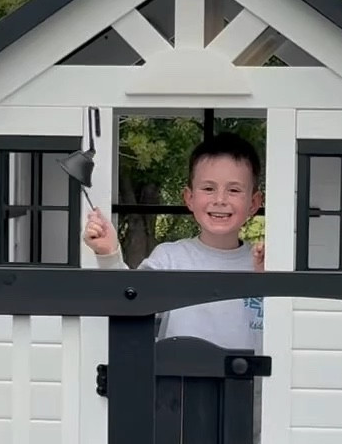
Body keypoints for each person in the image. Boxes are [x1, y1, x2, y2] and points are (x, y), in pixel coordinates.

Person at [83, 131, 264, 352]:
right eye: (208, 188)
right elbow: (130, 304)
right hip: (176, 384)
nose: (220, 200)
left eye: (234, 190)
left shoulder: (264, 263)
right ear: (189, 198)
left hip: (249, 385)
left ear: (254, 203)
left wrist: (265, 281)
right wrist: (109, 253)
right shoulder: (169, 259)